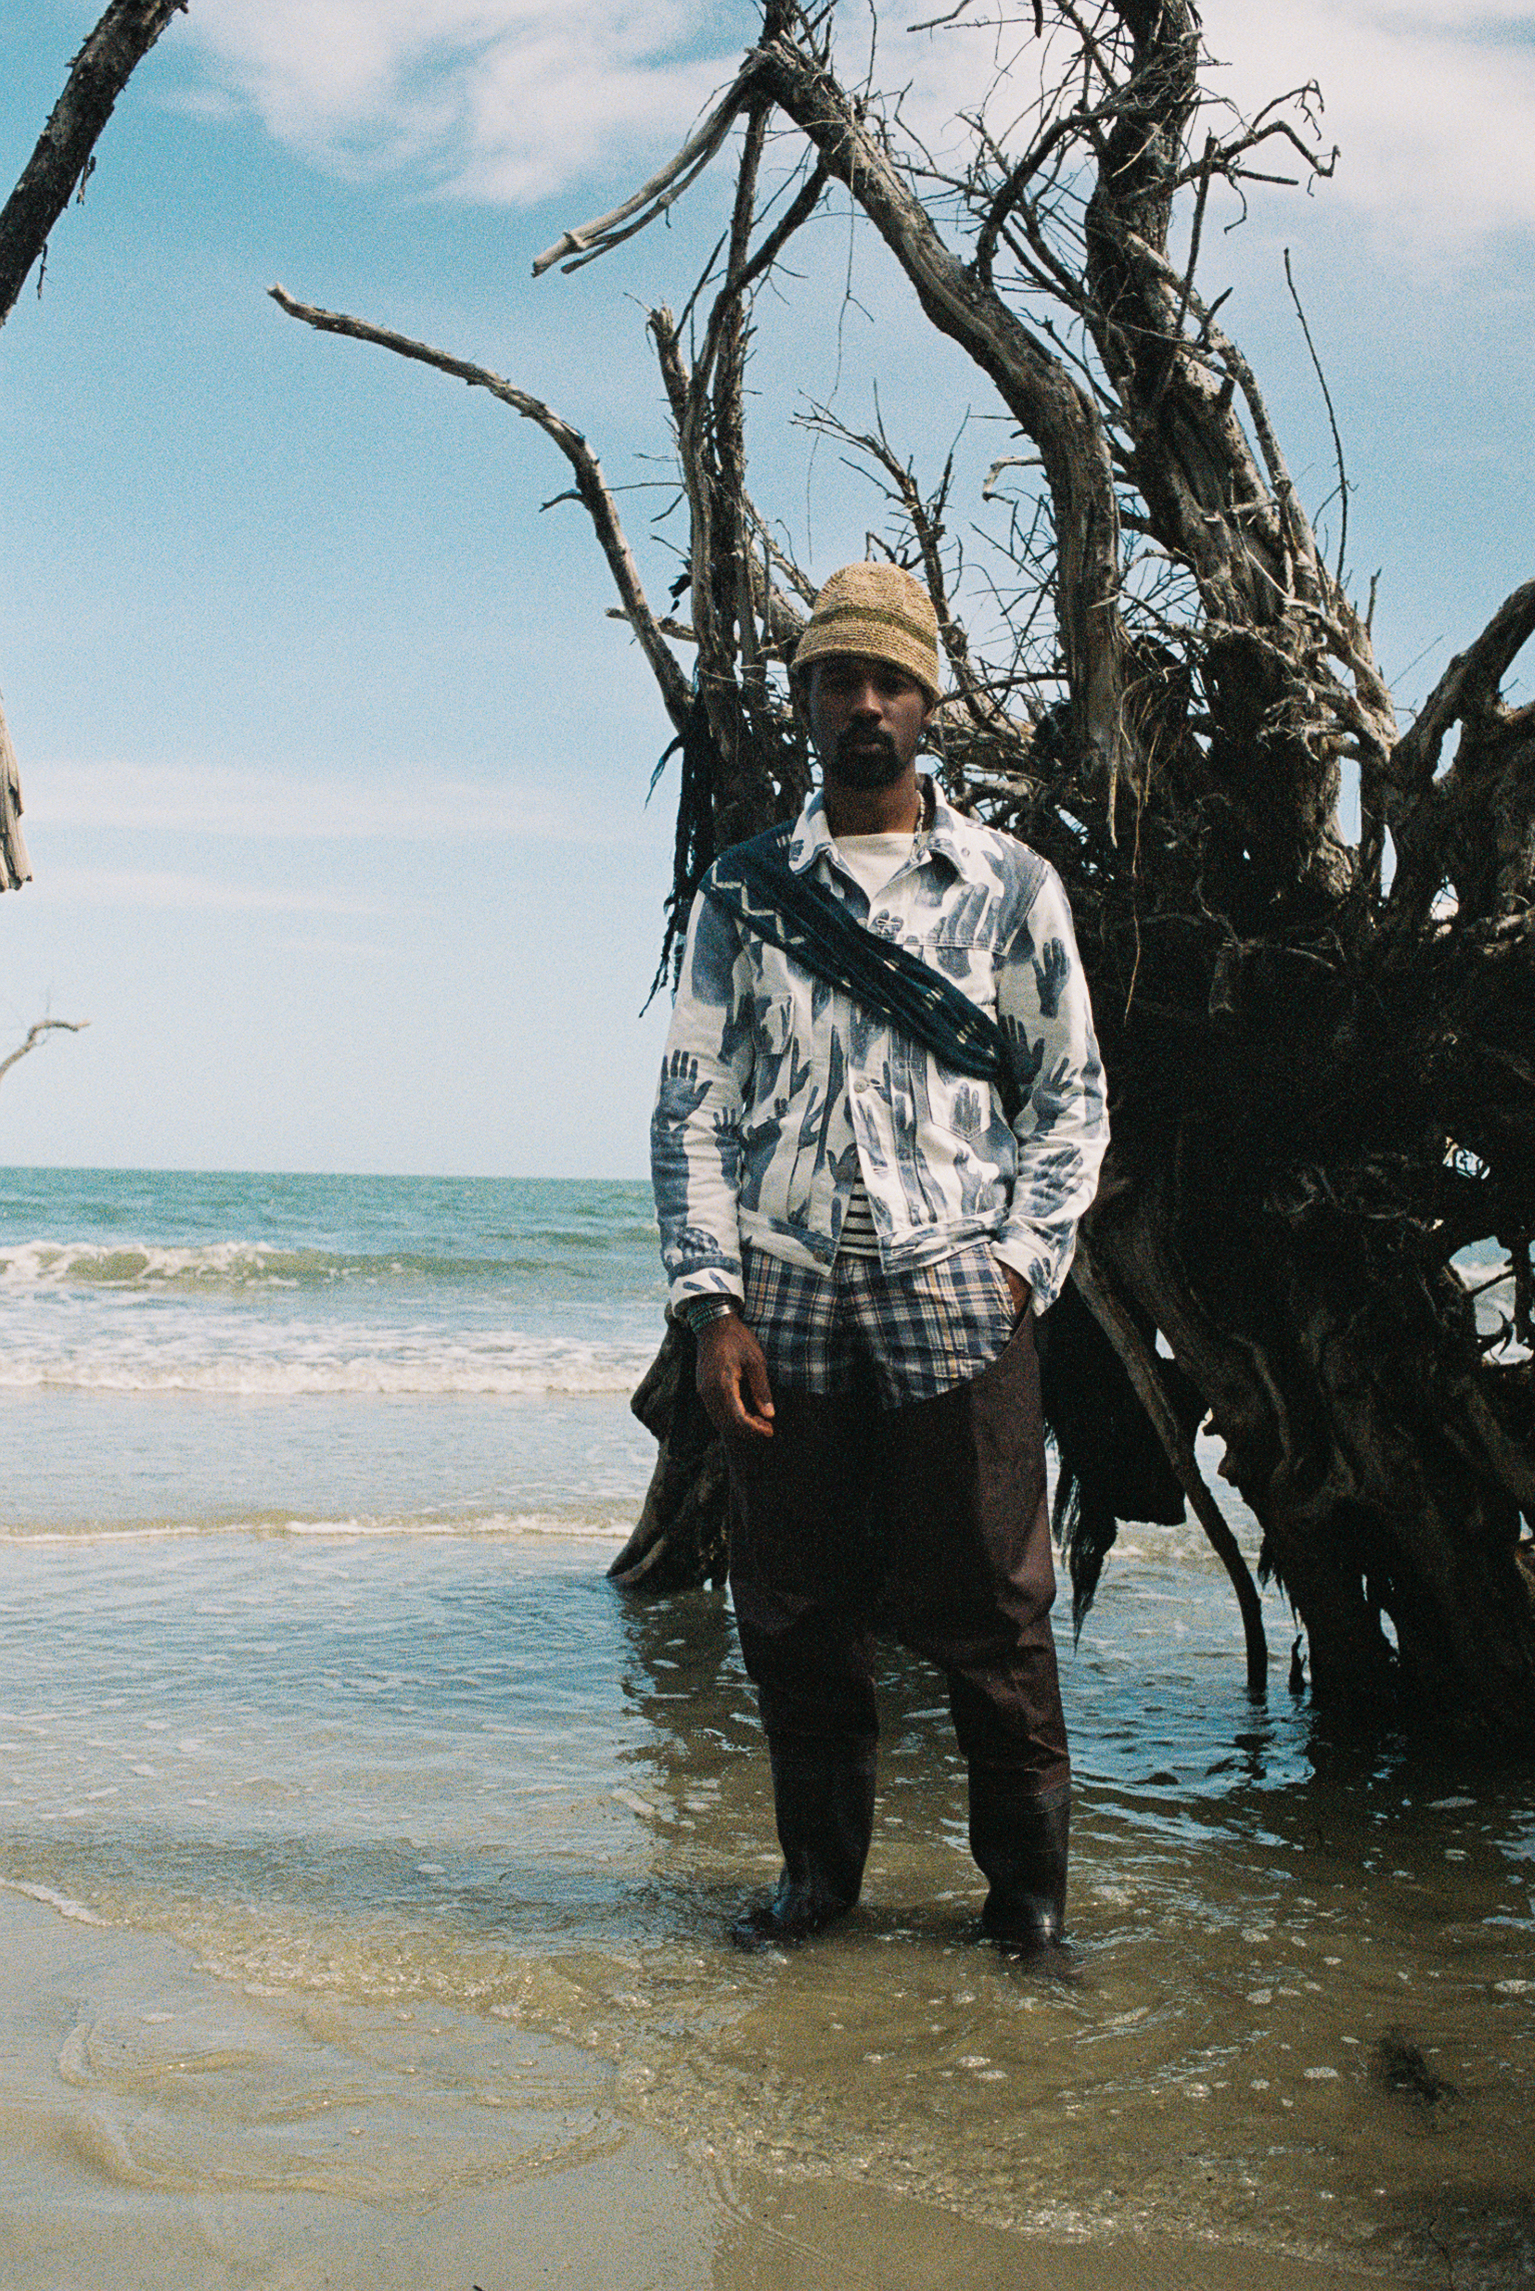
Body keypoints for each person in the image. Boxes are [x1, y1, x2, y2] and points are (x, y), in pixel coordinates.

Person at [650, 561, 1108, 1952]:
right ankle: (818, 1893)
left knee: (995, 1617)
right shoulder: (743, 892)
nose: (864, 705)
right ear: (803, 700)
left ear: (929, 703)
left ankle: (1025, 1912)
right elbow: (690, 1108)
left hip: (956, 1297)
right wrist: (709, 1302)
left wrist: (1020, 1268)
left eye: (889, 682)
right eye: (838, 679)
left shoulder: (1009, 887)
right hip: (781, 1301)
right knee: (793, 1613)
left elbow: (1071, 1097)